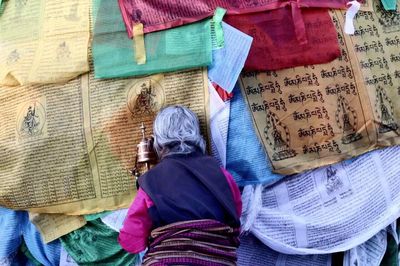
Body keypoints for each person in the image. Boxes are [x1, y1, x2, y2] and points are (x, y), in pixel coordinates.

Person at [118, 105, 242, 265]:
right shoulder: (221, 174)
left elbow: (131, 241)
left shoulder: (151, 181)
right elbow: (235, 215)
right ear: (197, 136)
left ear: (159, 143)